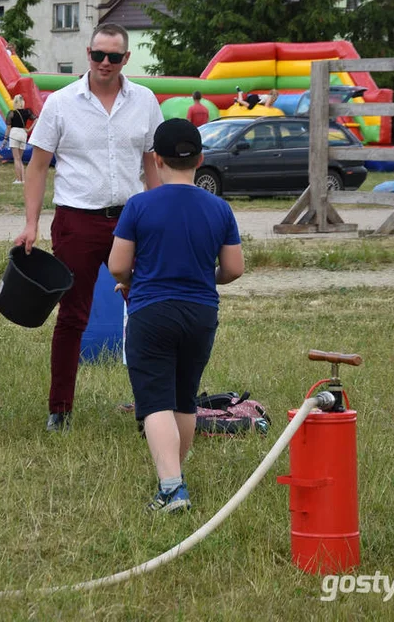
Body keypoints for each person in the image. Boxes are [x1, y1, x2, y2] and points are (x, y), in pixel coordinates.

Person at [14, 22, 163, 432]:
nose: (105, 63)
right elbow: (38, 164)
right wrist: (31, 224)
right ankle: (59, 409)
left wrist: (161, 213)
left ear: (126, 59)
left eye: (114, 57)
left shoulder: (145, 101)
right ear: (88, 53)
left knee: (146, 310)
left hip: (132, 221)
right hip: (77, 220)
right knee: (72, 316)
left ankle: (150, 407)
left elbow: (151, 163)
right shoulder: (61, 103)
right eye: (98, 55)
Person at [108, 118, 244, 513]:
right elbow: (233, 269)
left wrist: (132, 280)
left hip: (152, 311)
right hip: (201, 313)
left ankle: (171, 488)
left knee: (154, 401)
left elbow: (118, 266)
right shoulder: (219, 208)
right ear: (200, 158)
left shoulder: (139, 205)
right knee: (185, 399)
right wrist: (207, 276)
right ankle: (175, 477)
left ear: (156, 160)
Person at [5, 94, 37, 184]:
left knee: (16, 158)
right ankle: (23, 179)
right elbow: (36, 119)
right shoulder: (27, 112)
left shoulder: (11, 113)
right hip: (23, 133)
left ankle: (18, 179)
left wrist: (5, 138)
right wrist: (29, 129)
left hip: (14, 133)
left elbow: (8, 127)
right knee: (20, 158)